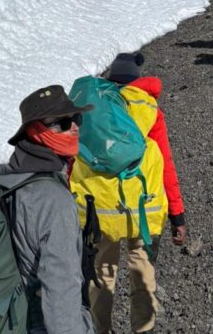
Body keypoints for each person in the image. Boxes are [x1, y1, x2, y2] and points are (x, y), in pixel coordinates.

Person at [70, 52, 187, 334]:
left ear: (111, 81)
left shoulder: (92, 111)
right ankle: (142, 329)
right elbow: (166, 165)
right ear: (138, 79)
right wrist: (178, 215)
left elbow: (72, 161)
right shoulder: (149, 108)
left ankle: (100, 329)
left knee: (102, 275)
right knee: (142, 272)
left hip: (100, 213)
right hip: (144, 210)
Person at [0, 85, 97, 334]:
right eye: (63, 123)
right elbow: (62, 302)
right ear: (35, 131)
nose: (74, 127)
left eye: (76, 118)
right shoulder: (54, 201)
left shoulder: (5, 179)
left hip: (3, 313)